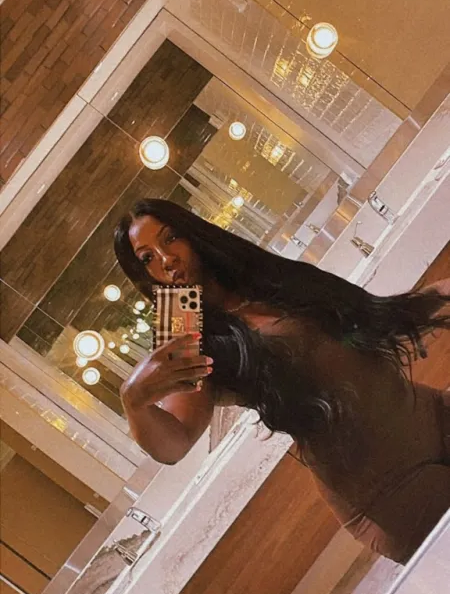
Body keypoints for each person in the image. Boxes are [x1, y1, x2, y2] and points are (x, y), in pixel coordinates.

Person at [114, 199, 450, 564]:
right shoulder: (193, 342)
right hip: (391, 492)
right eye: (147, 258)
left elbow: (372, 319)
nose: (166, 259)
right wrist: (134, 401)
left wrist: (439, 293)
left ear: (193, 234)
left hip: (432, 418)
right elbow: (175, 443)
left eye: (170, 238)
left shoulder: (265, 279)